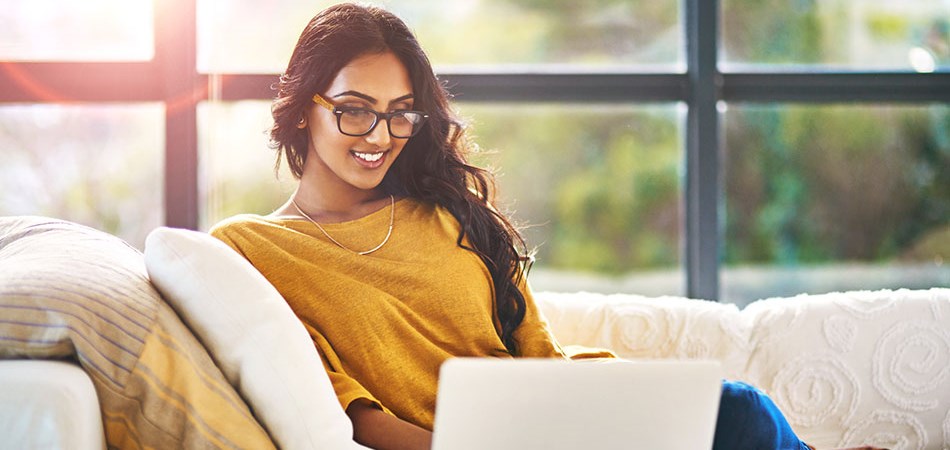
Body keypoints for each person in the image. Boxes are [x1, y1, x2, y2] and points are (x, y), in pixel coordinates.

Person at [210, 4, 885, 450]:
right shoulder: (250, 250)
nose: (379, 135)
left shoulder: (441, 209)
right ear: (302, 107)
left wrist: (602, 411)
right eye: (354, 109)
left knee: (739, 410)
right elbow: (351, 413)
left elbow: (535, 352)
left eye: (400, 113)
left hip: (563, 428)